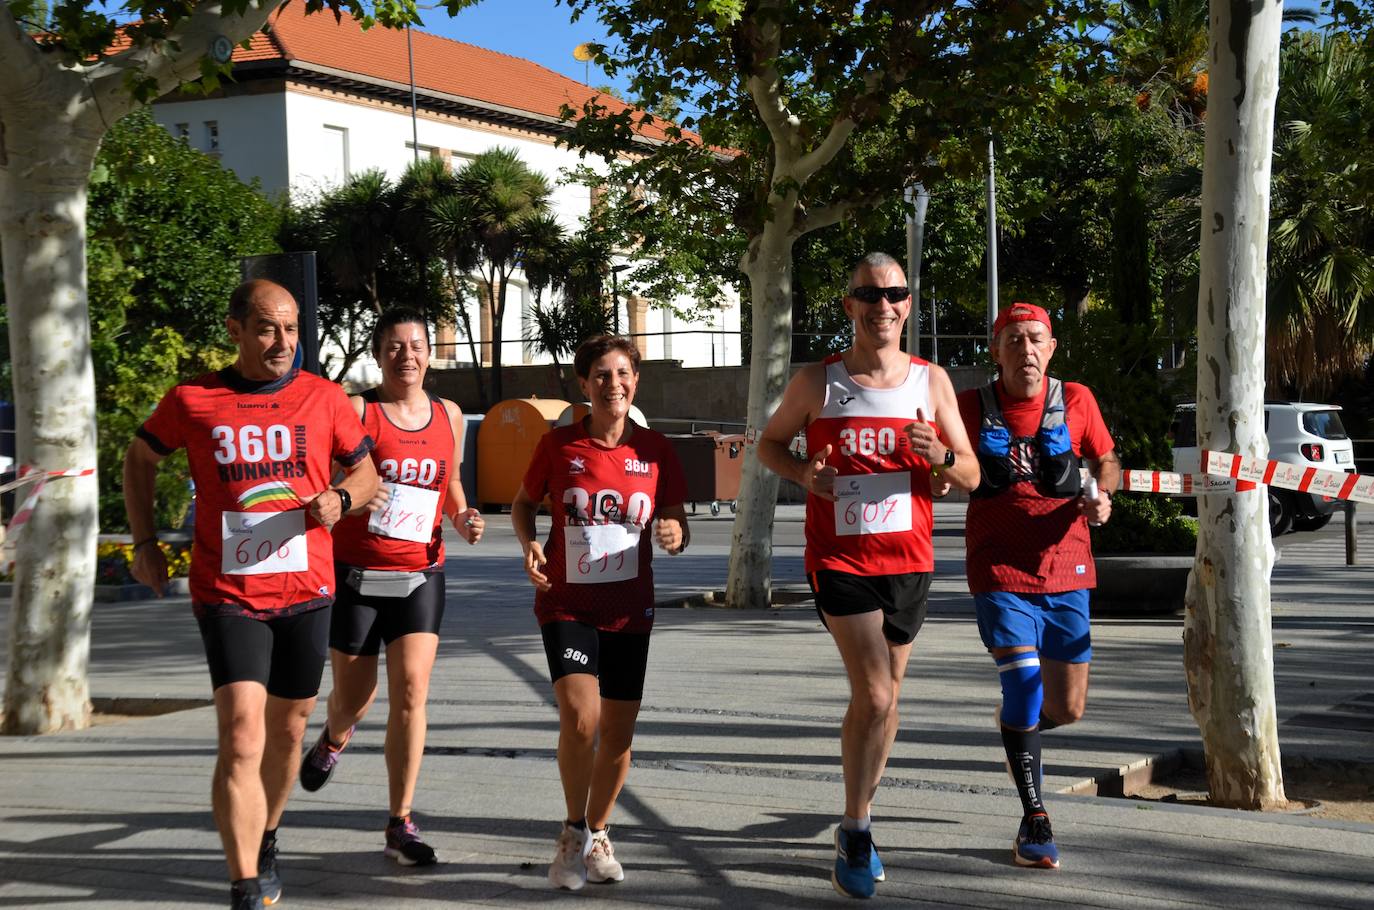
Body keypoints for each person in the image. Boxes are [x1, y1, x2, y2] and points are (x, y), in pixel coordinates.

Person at [123, 279, 379, 910]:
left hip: (307, 588)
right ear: (236, 329)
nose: (282, 342)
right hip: (228, 592)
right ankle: (243, 882)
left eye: (292, 329)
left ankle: (266, 834)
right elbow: (138, 457)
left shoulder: (323, 399)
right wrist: (146, 542)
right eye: (268, 328)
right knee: (242, 734)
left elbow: (369, 473)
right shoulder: (194, 399)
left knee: (289, 730)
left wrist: (341, 499)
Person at [755, 252, 978, 899]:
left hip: (908, 562)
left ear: (908, 305)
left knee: (885, 701)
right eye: (870, 296)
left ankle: (861, 814)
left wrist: (941, 457)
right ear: (850, 306)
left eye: (895, 295)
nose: (884, 307)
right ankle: (855, 829)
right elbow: (769, 444)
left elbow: (968, 475)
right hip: (840, 560)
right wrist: (803, 476)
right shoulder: (818, 382)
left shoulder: (930, 383)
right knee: (876, 696)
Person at [296, 307, 485, 865]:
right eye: (395, 347)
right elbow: (328, 483)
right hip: (356, 575)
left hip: (421, 573)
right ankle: (334, 735)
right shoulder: (358, 410)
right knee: (354, 698)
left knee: (411, 694)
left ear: (430, 353)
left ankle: (400, 819)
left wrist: (464, 516)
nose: (407, 356)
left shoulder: (449, 415)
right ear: (379, 355)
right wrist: (351, 495)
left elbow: (450, 483)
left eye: (417, 345)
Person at [940, 301, 1118, 870]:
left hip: (1068, 568)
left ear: (1052, 347)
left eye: (1035, 339)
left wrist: (1102, 493)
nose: (1026, 350)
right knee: (1022, 686)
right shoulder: (971, 407)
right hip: (998, 571)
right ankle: (1035, 819)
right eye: (1013, 340)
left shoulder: (1078, 400)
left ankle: (1017, 728)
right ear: (994, 351)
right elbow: (948, 467)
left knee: (1066, 709)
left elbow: (1106, 459)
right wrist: (940, 472)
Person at [511, 335, 689, 891]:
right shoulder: (558, 446)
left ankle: (598, 831)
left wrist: (674, 532)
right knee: (581, 718)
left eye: (622, 374)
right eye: (601, 376)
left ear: (636, 382)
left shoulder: (657, 450)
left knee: (617, 731)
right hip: (565, 603)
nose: (613, 384)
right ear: (584, 385)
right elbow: (522, 503)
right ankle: (571, 831)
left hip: (629, 610)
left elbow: (678, 522)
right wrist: (530, 542)